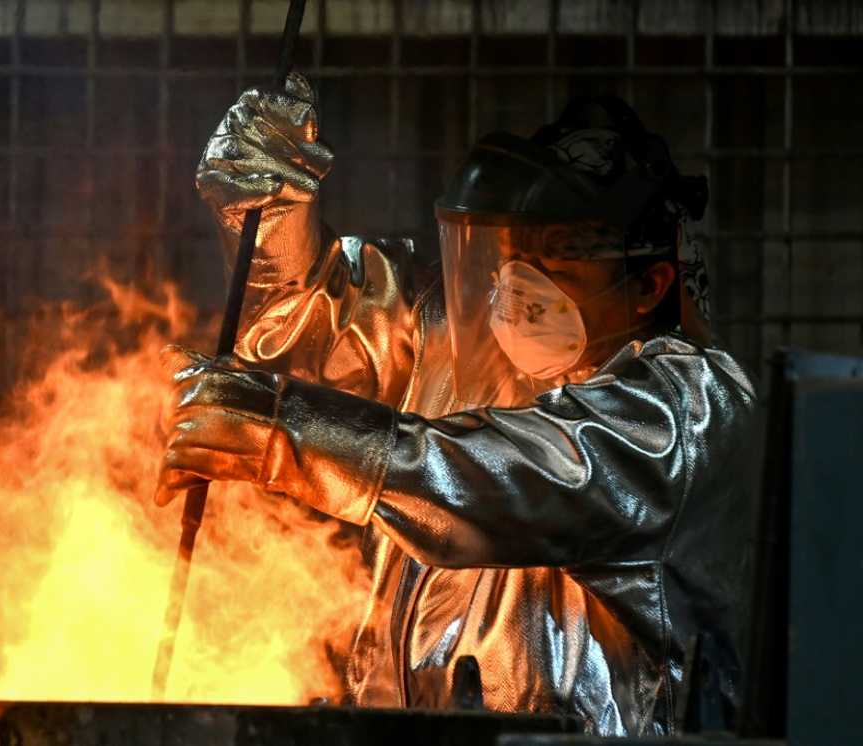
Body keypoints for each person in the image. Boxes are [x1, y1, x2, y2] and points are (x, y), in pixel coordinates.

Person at [154, 73, 756, 737]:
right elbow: (309, 324)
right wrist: (267, 213)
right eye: (512, 252)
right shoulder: (469, 346)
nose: (518, 285)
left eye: (560, 259)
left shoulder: (688, 410)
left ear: (649, 285)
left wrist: (285, 430)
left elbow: (502, 476)